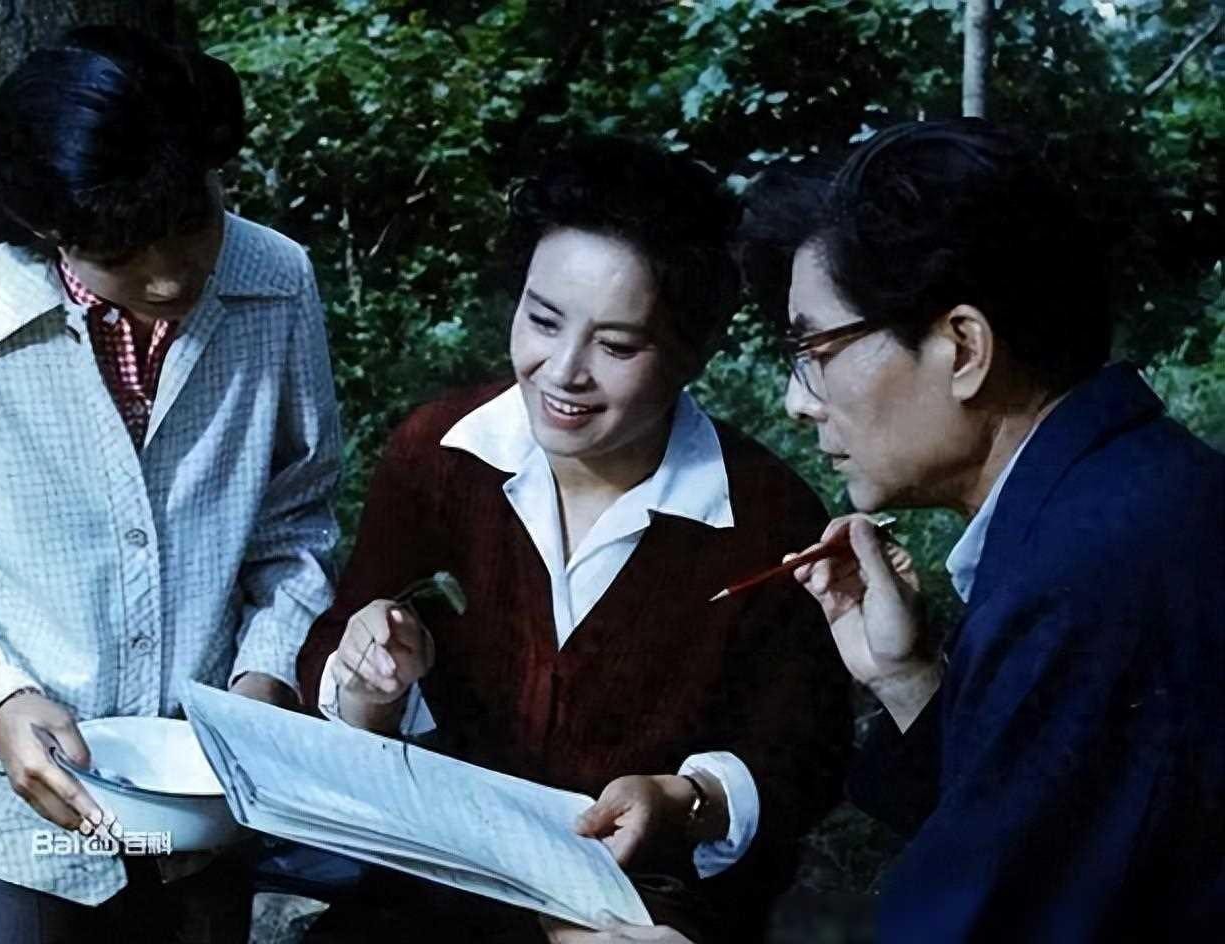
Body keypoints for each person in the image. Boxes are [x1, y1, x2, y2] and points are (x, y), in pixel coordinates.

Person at [0, 26, 341, 944]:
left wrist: (266, 673)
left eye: (191, 225)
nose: (170, 275)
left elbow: (295, 522)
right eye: (125, 251)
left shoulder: (278, 284)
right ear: (48, 229)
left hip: (203, 794)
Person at [293, 136, 852, 943]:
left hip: (648, 907)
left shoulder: (767, 517)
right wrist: (368, 682)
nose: (562, 370)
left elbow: (800, 753)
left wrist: (684, 800)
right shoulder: (438, 456)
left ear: (692, 353)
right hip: (439, 893)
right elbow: (337, 653)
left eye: (617, 346)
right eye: (543, 320)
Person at [754, 119, 1224, 940]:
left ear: (963, 347)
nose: (800, 402)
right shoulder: (1123, 493)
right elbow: (1041, 839)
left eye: (815, 350)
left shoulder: (1083, 580)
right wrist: (906, 678)